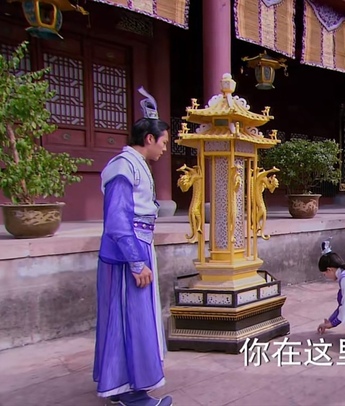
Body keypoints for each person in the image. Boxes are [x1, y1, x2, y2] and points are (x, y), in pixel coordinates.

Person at [93, 87, 172, 406]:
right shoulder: (123, 166)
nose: (164, 149)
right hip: (128, 253)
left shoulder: (136, 165)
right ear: (149, 139)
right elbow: (116, 221)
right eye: (163, 142)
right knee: (130, 319)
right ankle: (129, 391)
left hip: (139, 246)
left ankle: (125, 385)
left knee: (132, 317)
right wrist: (137, 262)